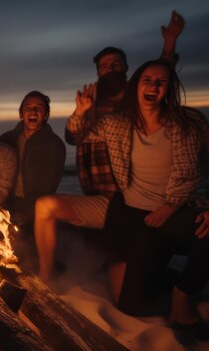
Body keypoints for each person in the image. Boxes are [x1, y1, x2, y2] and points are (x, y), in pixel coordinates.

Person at [35, 11, 186, 282]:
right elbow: (72, 137)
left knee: (130, 279)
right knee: (45, 207)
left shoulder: (137, 99)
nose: (110, 69)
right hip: (99, 199)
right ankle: (46, 280)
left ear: (126, 69)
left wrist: (170, 43)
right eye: (104, 66)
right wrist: (80, 112)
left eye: (116, 64)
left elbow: (161, 75)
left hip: (130, 203)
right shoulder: (90, 102)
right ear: (98, 72)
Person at [66, 60, 209, 325]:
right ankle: (165, 277)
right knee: (130, 305)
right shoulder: (117, 124)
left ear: (169, 89)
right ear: (137, 86)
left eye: (161, 81)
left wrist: (185, 207)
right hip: (139, 219)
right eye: (147, 80)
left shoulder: (189, 123)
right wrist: (80, 112)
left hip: (176, 212)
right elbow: (76, 136)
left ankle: (183, 293)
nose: (153, 85)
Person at [0, 91, 66, 227]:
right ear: (21, 114)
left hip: (37, 207)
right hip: (7, 205)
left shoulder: (54, 145)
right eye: (28, 108)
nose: (33, 111)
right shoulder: (6, 140)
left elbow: (49, 187)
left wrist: (28, 214)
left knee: (30, 246)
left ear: (46, 115)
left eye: (39, 108)